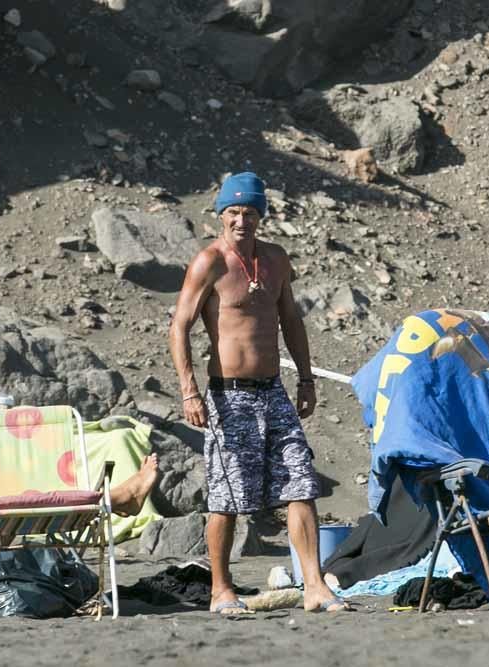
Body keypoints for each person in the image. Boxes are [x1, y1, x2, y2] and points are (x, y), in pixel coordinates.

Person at [169, 172, 349, 615]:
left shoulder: (275, 260)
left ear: (260, 216)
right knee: (227, 498)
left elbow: (291, 320)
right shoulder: (209, 262)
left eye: (249, 212)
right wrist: (190, 392)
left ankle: (314, 586)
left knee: (300, 483)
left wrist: (306, 379)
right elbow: (179, 326)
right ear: (221, 215)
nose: (241, 220)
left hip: (274, 393)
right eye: (233, 211)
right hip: (228, 398)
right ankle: (221, 590)